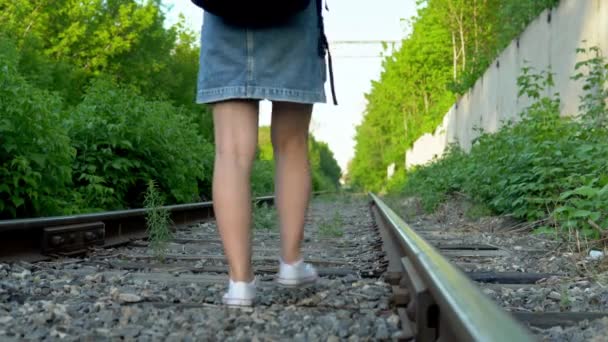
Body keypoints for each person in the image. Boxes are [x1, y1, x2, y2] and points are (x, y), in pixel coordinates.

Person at [195, 1, 335, 307]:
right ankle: (291, 263)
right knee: (292, 144)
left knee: (231, 151)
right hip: (293, 21)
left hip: (225, 21)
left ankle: (240, 284)